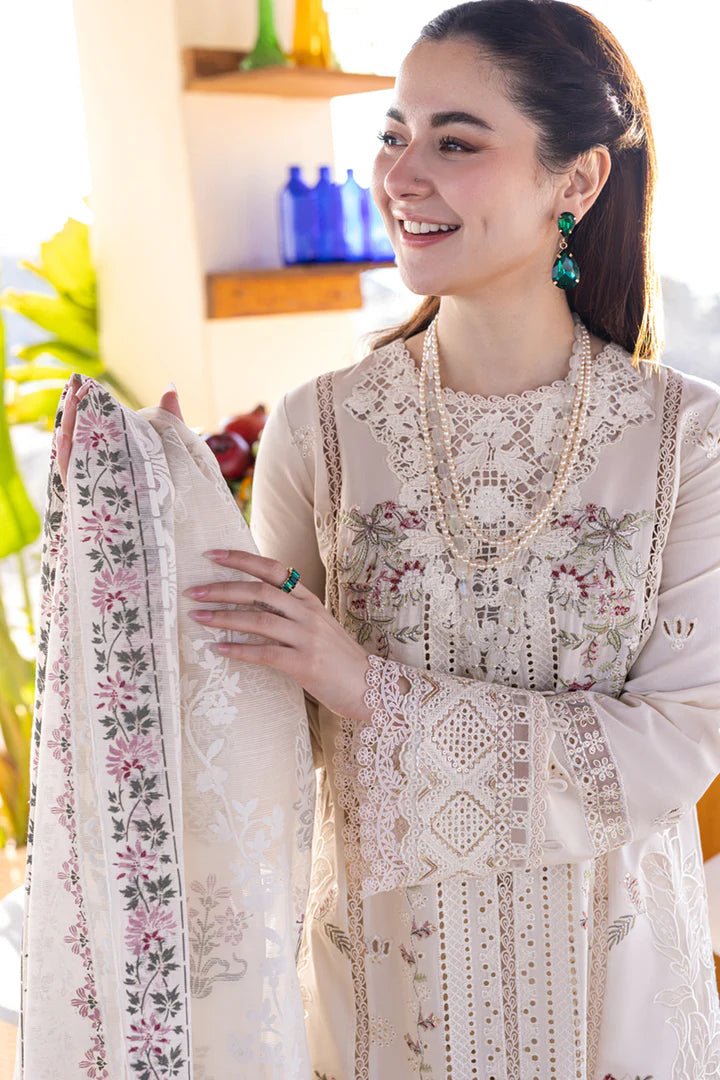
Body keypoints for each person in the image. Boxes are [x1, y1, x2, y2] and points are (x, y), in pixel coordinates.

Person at [58, 1, 720, 1076]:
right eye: (393, 134)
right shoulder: (317, 430)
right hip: (383, 1010)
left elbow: (678, 745)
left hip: (613, 1013)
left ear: (578, 181)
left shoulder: (687, 440)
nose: (402, 175)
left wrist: (369, 687)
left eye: (455, 142)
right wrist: (151, 512)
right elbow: (247, 721)